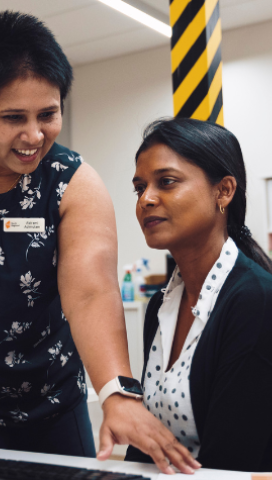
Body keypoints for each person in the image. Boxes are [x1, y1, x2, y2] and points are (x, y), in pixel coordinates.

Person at [0, 11, 198, 473]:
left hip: (50, 412)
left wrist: (117, 394)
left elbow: (90, 290)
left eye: (48, 114)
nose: (34, 136)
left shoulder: (72, 181)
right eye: (13, 118)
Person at [126, 117, 272, 472]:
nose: (146, 199)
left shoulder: (255, 301)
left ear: (223, 191)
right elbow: (148, 441)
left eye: (167, 182)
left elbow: (232, 462)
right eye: (139, 187)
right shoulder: (161, 303)